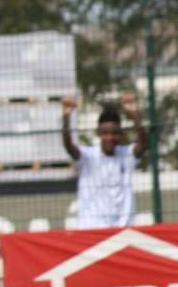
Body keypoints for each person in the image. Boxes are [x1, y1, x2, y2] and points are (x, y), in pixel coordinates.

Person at [61, 92, 147, 228]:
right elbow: (69, 146)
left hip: (123, 228)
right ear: (98, 133)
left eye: (114, 133)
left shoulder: (127, 154)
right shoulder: (87, 155)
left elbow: (143, 144)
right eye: (105, 133)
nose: (110, 137)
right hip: (91, 228)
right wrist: (66, 117)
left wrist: (134, 113)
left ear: (120, 135)